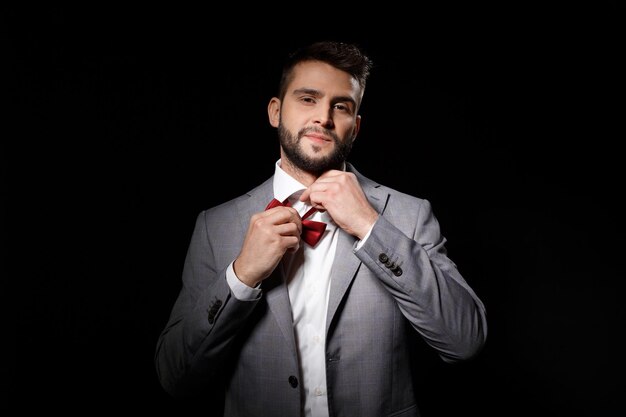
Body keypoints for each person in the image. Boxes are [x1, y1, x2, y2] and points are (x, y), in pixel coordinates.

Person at [155, 40, 488, 417]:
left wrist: (369, 225)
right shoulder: (215, 227)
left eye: (341, 106)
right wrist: (242, 274)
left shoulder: (410, 215)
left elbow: (465, 342)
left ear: (355, 127)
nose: (324, 118)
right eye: (308, 99)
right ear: (276, 112)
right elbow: (175, 377)